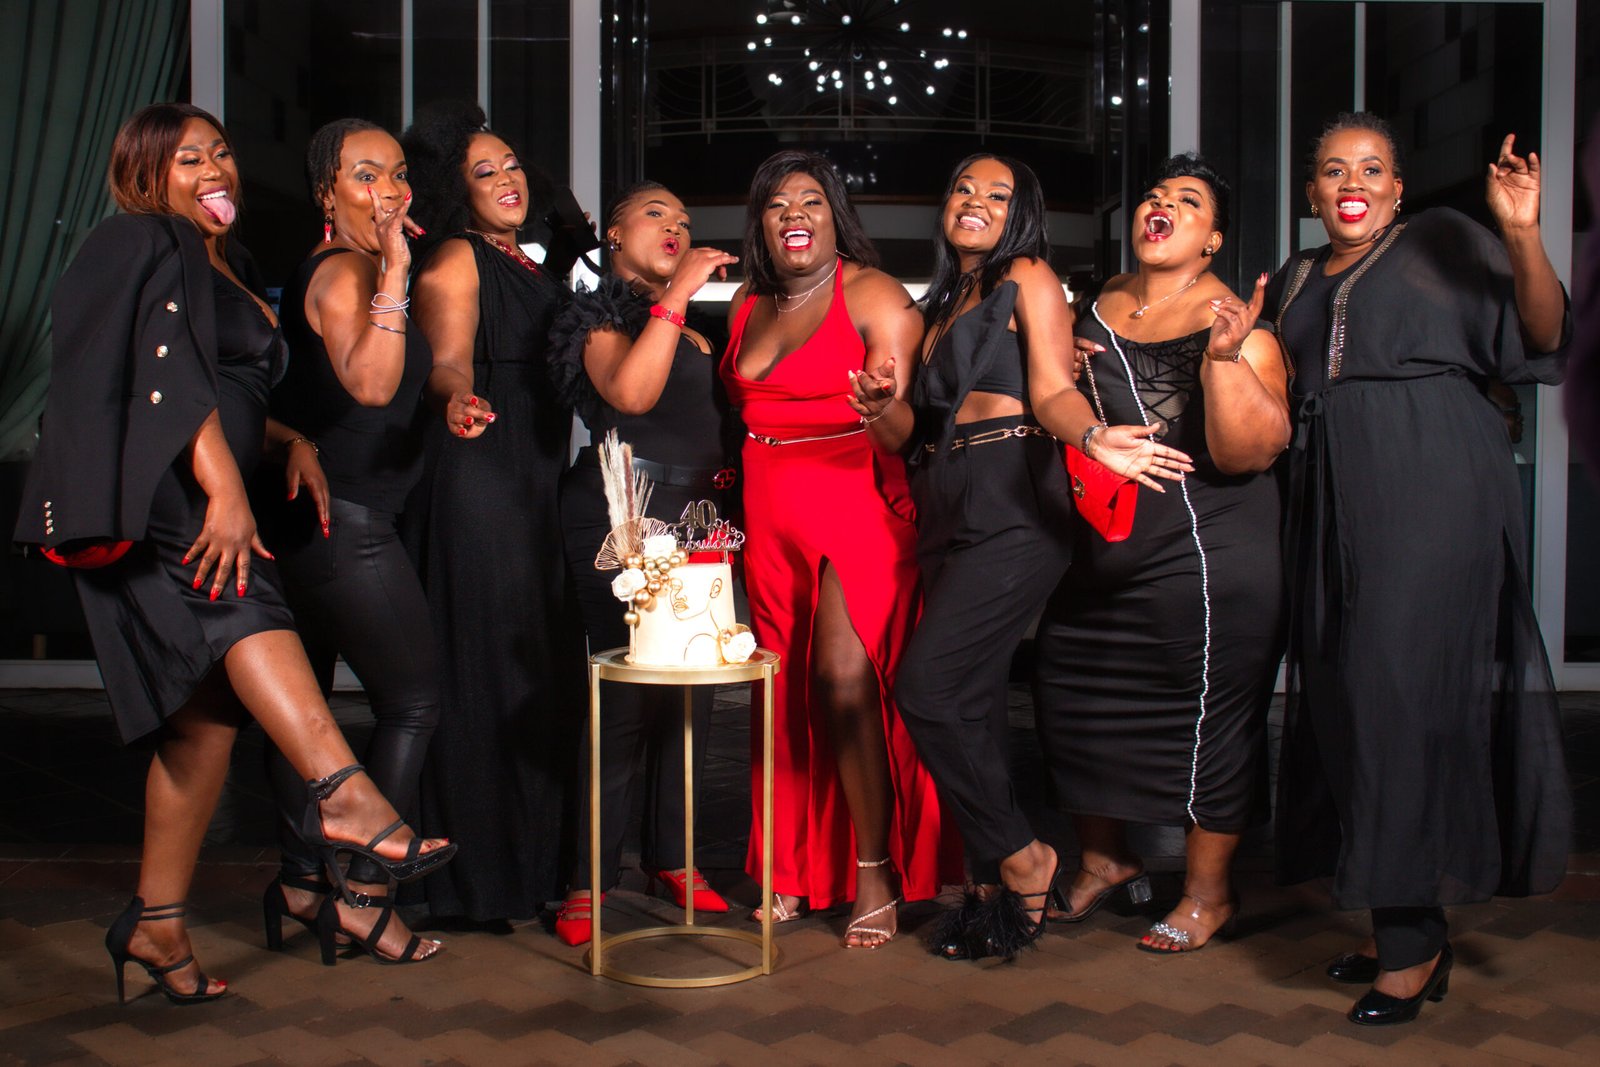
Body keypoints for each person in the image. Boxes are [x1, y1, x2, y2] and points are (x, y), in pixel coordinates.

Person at [12, 103, 453, 1004]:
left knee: (204, 724)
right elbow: (164, 378)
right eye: (188, 159)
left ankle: (157, 922)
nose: (214, 169)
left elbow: (233, 384)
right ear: (144, 173)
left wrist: (291, 439)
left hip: (211, 487)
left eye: (219, 152)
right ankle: (343, 792)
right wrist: (223, 489)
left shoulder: (228, 261)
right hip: (178, 499)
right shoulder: (144, 239)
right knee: (252, 614)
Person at [1267, 112, 1571, 1026]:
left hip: (1431, 482)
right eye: (1333, 170)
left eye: (1371, 168)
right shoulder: (1295, 276)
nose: (1351, 183)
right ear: (1313, 192)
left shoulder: (1443, 239)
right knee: (1343, 702)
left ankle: (1410, 945)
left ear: (1397, 188)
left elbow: (1542, 334)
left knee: (1396, 697)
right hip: (1327, 495)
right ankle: (1400, 914)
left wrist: (1523, 234)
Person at [850, 153, 1191, 961]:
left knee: (927, 685)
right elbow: (910, 436)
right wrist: (878, 408)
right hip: (944, 497)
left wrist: (1093, 436)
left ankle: (1023, 853)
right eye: (963, 188)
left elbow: (1051, 390)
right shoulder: (939, 307)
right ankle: (994, 888)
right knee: (968, 702)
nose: (975, 201)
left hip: (1011, 493)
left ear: (1022, 214)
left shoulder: (1027, 276)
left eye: (997, 195)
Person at [1035, 152, 1289, 954]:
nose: (1163, 204)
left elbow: (1249, 453)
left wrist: (1224, 361)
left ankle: (1209, 893)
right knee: (1066, 687)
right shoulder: (1099, 304)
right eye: (1155, 194)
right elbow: (1061, 400)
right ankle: (1106, 860)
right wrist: (1056, 358)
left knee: (1211, 723)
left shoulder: (1236, 321)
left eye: (1187, 200)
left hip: (1208, 554)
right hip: (1102, 550)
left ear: (1212, 238)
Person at [720, 150, 961, 948]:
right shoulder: (746, 304)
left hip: (857, 503)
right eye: (777, 203)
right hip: (771, 512)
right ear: (762, 223)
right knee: (785, 690)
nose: (794, 213)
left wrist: (879, 407)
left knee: (844, 678)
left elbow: (904, 433)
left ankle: (874, 868)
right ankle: (791, 865)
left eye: (812, 200)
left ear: (835, 217)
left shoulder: (876, 295)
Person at [261, 118, 442, 965]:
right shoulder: (345, 271)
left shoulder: (352, 267)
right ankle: (366, 897)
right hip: (346, 527)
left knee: (308, 711)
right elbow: (370, 384)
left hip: (322, 519)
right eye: (366, 175)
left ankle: (302, 882)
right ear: (325, 192)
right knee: (414, 700)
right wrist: (397, 274)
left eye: (398, 173)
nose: (390, 190)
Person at [403, 101, 587, 923]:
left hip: (532, 481)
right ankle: (470, 880)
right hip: (481, 473)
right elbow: (445, 361)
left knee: (530, 672)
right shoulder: (457, 258)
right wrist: (455, 397)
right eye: (485, 171)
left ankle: (526, 869)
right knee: (485, 671)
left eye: (511, 162)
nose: (507, 177)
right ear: (456, 191)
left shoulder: (528, 262)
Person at [546, 182, 739, 946]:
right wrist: (680, 294)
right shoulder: (595, 317)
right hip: (625, 511)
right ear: (616, 235)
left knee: (694, 693)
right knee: (625, 696)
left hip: (701, 515)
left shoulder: (692, 329)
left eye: (685, 219)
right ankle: (590, 876)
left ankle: (673, 856)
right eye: (656, 213)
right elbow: (630, 393)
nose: (676, 226)